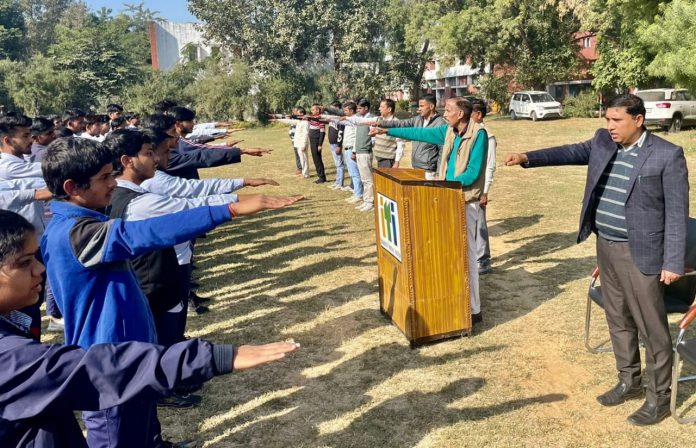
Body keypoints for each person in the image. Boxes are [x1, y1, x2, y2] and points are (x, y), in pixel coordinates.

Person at [40, 136, 303, 447]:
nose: (113, 183)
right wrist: (227, 210)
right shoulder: (80, 234)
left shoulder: (64, 226)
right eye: (104, 178)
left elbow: (54, 301)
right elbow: (147, 232)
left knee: (144, 420)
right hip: (110, 366)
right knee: (116, 435)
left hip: (130, 356)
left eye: (112, 174)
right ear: (72, 188)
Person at [0, 209, 300, 448]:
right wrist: (215, 357)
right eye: (25, 262)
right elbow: (96, 368)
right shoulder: (9, 358)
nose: (40, 269)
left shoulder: (14, 320)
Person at [505, 94, 688, 426]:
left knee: (652, 330)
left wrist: (673, 262)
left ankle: (659, 398)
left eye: (617, 120)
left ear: (638, 120)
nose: (610, 126)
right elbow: (570, 152)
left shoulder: (666, 155)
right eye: (607, 119)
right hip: (606, 246)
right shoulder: (604, 143)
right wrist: (527, 157)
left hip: (641, 253)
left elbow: (677, 214)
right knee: (617, 318)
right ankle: (628, 380)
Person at [372, 97, 488, 322]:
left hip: (465, 202)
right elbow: (419, 133)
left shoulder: (479, 135)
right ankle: (454, 300)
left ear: (461, 114)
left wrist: (443, 186)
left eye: (449, 110)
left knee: (468, 255)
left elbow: (472, 173)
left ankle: (474, 310)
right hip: (447, 197)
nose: (444, 114)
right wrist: (387, 131)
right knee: (451, 255)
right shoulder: (448, 132)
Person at [376, 93, 445, 179]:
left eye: (422, 106)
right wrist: (381, 123)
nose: (419, 109)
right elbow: (401, 123)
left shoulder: (440, 124)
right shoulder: (418, 119)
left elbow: (442, 152)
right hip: (416, 167)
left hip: (429, 171)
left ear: (431, 106)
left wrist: (438, 173)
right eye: (419, 106)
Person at [471, 99, 496, 274]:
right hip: (468, 187)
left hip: (480, 188)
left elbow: (490, 165)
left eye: (469, 113)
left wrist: (485, 190)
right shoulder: (469, 132)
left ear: (478, 115)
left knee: (480, 223)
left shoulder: (487, 135)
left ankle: (483, 260)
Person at [372, 99, 405, 168]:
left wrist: (397, 162)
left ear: (389, 109)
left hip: (388, 161)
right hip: (379, 159)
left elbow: (400, 144)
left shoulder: (396, 123)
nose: (379, 109)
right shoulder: (379, 120)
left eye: (382, 107)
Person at [326, 101, 347, 190]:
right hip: (332, 143)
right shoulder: (333, 118)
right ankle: (337, 181)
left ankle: (340, 183)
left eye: (332, 108)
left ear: (337, 108)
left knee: (339, 164)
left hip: (336, 144)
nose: (331, 110)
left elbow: (340, 133)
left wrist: (339, 145)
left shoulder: (341, 119)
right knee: (336, 164)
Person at [307, 104, 327, 184]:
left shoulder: (320, 119)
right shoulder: (312, 118)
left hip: (316, 142)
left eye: (313, 110)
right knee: (315, 160)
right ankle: (321, 176)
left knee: (318, 160)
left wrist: (320, 144)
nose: (311, 111)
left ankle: (321, 177)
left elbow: (322, 132)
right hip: (312, 141)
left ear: (318, 111)